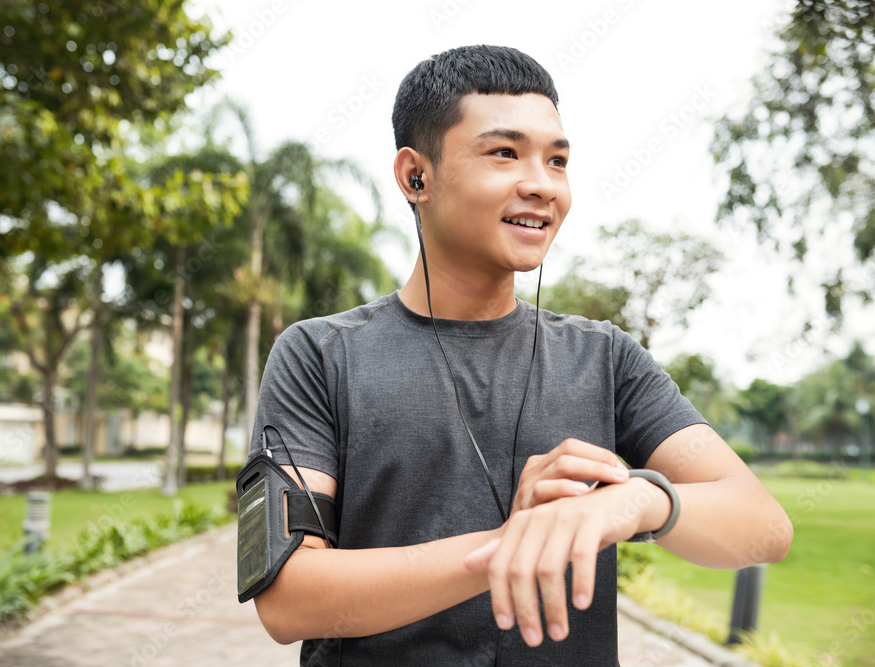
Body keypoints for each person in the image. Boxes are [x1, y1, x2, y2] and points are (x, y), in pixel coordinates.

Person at [242, 44, 793, 666]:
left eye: (557, 161)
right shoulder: (320, 355)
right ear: (414, 176)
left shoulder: (604, 358)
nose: (541, 184)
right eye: (504, 153)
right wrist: (510, 543)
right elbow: (289, 599)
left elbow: (764, 527)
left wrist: (634, 499)